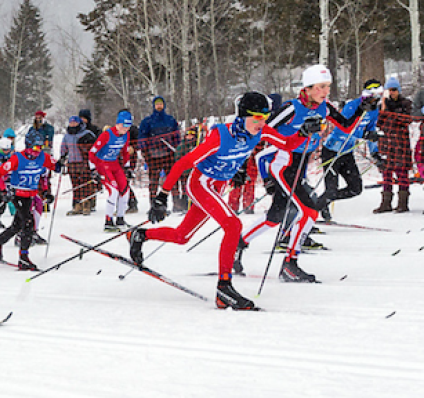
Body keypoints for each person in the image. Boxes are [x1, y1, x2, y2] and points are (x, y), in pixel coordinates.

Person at [129, 92, 308, 310]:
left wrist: (305, 132)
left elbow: (288, 143)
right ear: (242, 116)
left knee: (182, 236)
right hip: (201, 183)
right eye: (257, 118)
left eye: (265, 118)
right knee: (233, 225)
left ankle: (139, 235)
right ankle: (224, 288)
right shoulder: (220, 136)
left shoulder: (259, 131)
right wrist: (162, 197)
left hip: (218, 186)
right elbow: (182, 164)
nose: (261, 123)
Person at [235, 65, 372, 283]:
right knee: (309, 211)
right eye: (320, 87)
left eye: (328, 87)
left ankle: (238, 246)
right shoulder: (292, 108)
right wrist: (242, 165)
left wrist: (361, 109)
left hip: (300, 166)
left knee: (275, 217)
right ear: (307, 88)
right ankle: (290, 263)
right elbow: (261, 130)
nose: (325, 92)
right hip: (283, 164)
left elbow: (346, 127)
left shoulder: (325, 108)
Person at [0, 136, 61, 270]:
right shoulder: (17, 158)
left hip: (30, 195)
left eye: (40, 147)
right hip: (18, 194)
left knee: (17, 226)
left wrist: (61, 163)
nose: (38, 151)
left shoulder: (42, 157)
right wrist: (2, 192)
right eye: (35, 147)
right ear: (28, 146)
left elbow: (55, 167)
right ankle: (23, 258)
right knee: (28, 224)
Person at [322, 79, 381, 217]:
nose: (375, 98)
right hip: (332, 150)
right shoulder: (352, 106)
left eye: (378, 94)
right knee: (331, 188)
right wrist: (363, 134)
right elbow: (342, 129)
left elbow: (371, 130)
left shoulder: (374, 110)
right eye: (373, 95)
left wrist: (375, 152)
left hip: (347, 152)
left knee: (355, 188)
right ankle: (315, 209)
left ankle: (320, 202)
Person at [375, 76, 415, 213]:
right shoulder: (381, 106)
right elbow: (378, 123)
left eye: (394, 90)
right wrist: (385, 108)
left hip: (401, 143)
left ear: (398, 90)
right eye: (389, 90)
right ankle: (386, 202)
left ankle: (403, 202)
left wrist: (390, 115)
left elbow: (406, 120)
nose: (391, 92)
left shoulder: (406, 103)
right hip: (386, 143)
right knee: (386, 173)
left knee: (401, 172)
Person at [90, 110, 135, 231]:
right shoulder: (107, 134)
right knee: (113, 191)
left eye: (128, 126)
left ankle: (120, 218)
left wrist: (127, 167)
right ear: (118, 124)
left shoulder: (126, 135)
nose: (126, 129)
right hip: (103, 165)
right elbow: (92, 152)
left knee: (125, 190)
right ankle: (108, 221)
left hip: (114, 164)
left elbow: (125, 152)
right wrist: (93, 169)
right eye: (124, 126)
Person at [137, 96, 181, 207]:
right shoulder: (147, 121)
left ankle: (177, 204)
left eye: (161, 104)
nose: (159, 106)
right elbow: (142, 137)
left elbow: (177, 136)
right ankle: (153, 205)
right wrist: (144, 152)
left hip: (169, 155)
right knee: (153, 182)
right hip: (153, 156)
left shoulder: (170, 120)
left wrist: (177, 149)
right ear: (153, 106)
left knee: (173, 179)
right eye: (157, 104)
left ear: (164, 105)